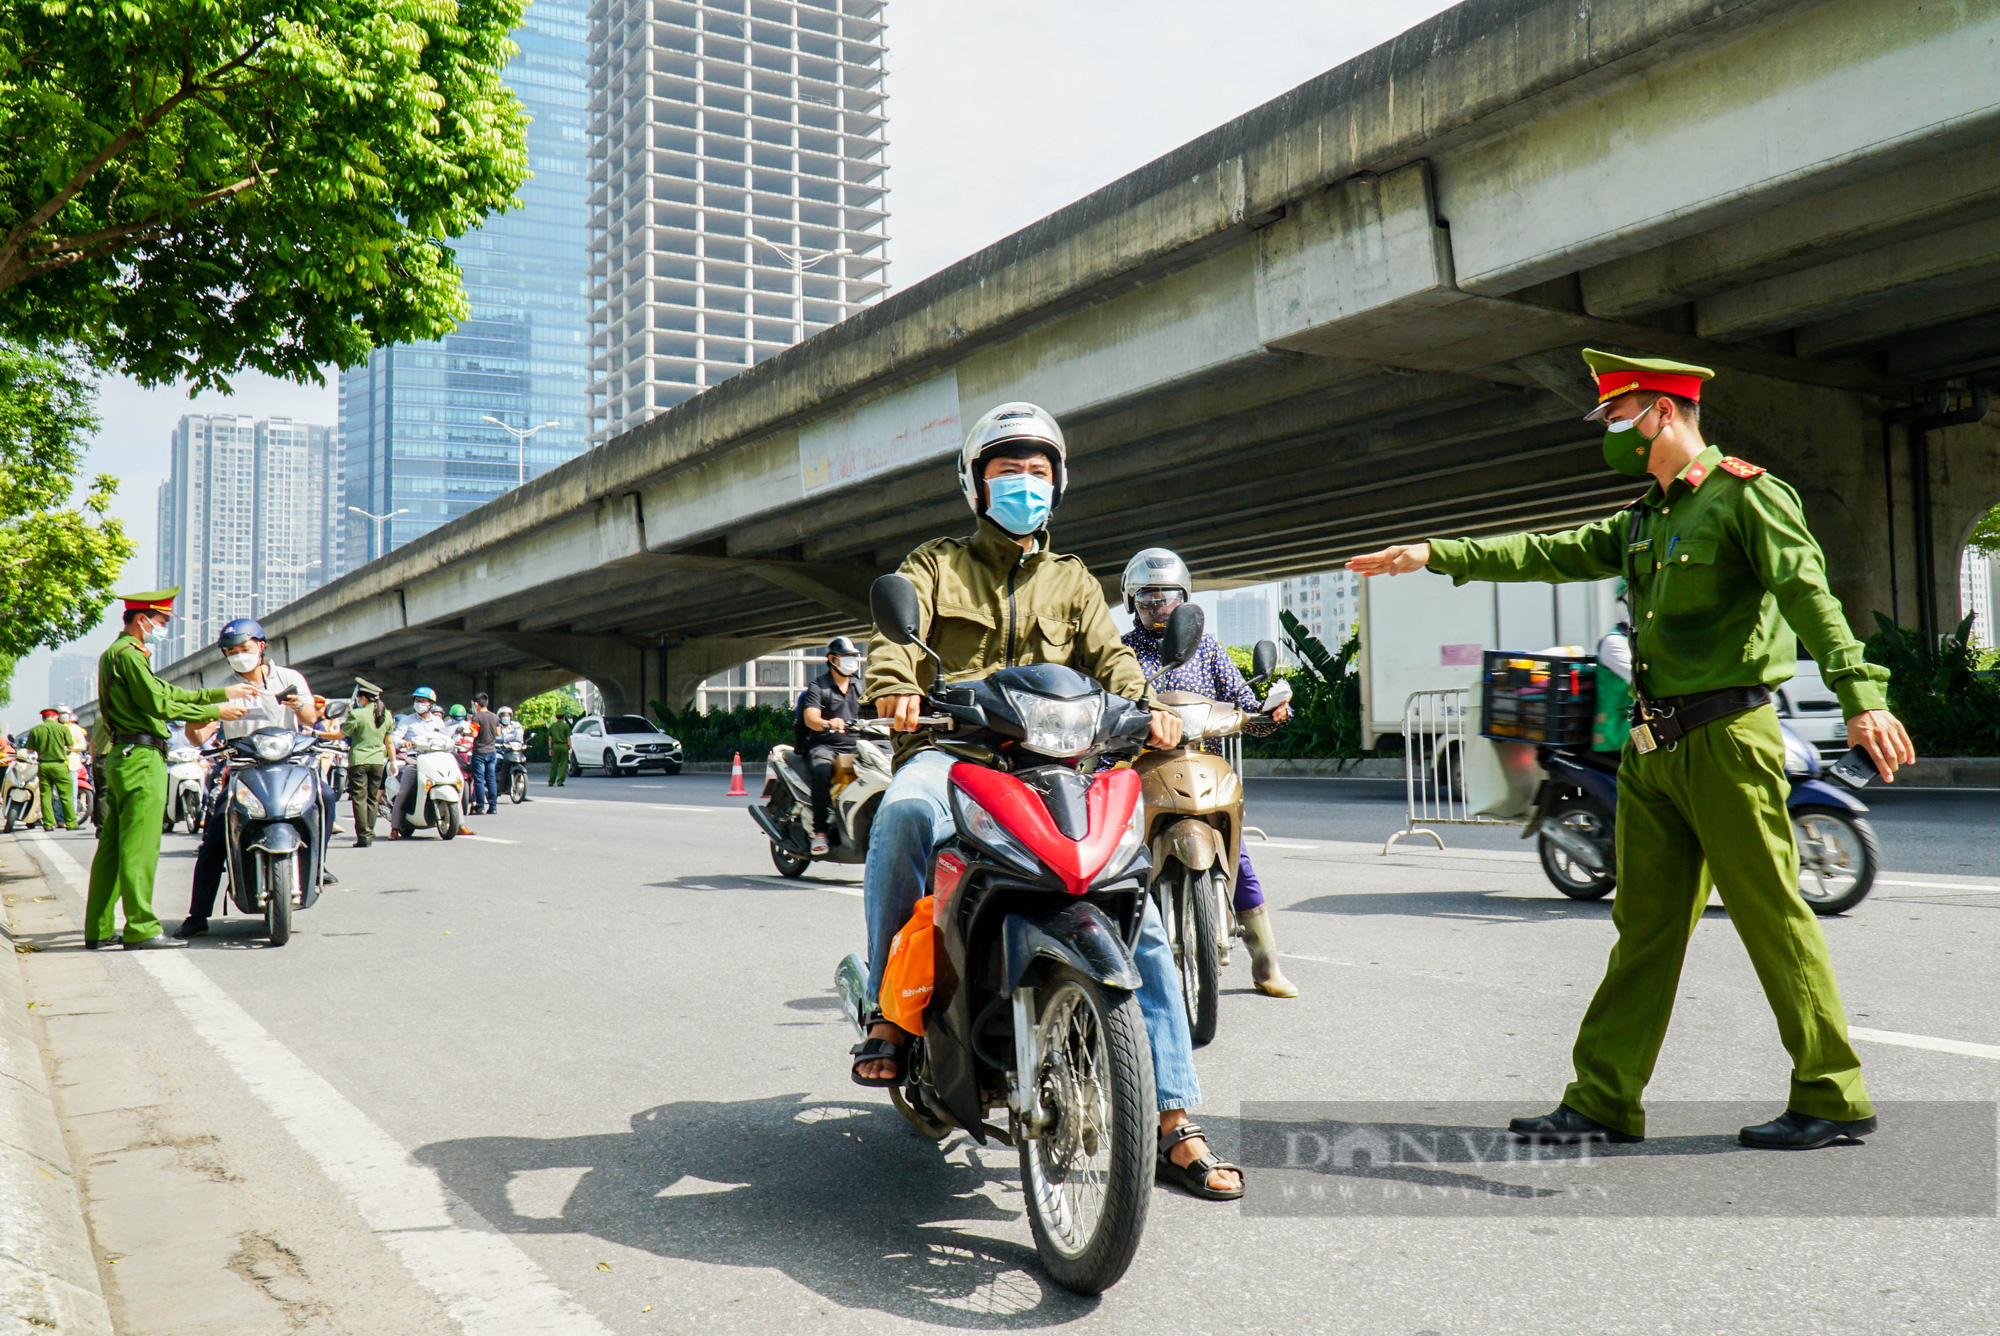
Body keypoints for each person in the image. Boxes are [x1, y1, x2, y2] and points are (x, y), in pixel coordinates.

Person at [1347, 347, 1916, 1152]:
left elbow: (1810, 597)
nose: (1610, 431)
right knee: (1643, 927)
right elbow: (1546, 552)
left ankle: (1833, 1094)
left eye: (1617, 415)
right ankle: (1605, 1100)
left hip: (1726, 738)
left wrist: (1864, 699)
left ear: (1663, 412)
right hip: (1652, 749)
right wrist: (1437, 554)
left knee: (1773, 920)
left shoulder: (1746, 498)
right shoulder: (1646, 518)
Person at [857, 400, 1242, 1200]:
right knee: (901, 814)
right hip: (954, 753)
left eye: (1037, 472)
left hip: (1058, 765)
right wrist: (896, 690)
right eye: (1007, 472)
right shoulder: (935, 565)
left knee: (1130, 905)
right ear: (975, 486)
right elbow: (895, 642)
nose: (1023, 485)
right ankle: (891, 1009)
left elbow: (1115, 665)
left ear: (1057, 485)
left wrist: (1155, 705)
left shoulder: (1073, 581)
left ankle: (1173, 1118)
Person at [1118, 548, 1299, 998]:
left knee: (1241, 858)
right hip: (1142, 767)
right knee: (1113, 856)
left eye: (1168, 599)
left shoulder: (1209, 646)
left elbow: (1243, 701)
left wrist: (1270, 711)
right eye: (1149, 600)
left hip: (1203, 765)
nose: (1160, 609)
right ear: (1132, 603)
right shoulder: (1120, 652)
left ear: (1186, 600)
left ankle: (1265, 961)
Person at [87, 590, 255, 949]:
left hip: (124, 755)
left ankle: (99, 929)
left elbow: (164, 691)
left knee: (113, 848)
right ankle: (142, 929)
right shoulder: (130, 655)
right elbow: (159, 702)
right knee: (140, 849)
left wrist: (218, 696)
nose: (162, 629)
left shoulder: (118, 655)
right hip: (142, 758)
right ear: (141, 619)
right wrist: (214, 713)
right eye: (161, 622)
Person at [175, 619, 324, 938]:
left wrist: (299, 707)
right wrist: (199, 718)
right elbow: (197, 737)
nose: (239, 655)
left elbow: (311, 718)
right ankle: (198, 915)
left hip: (290, 767)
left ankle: (319, 864)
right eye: (231, 651)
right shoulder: (224, 689)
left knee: (325, 796)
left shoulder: (289, 678)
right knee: (214, 839)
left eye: (244, 648)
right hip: (242, 771)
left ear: (261, 645)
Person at [794, 636, 864, 855]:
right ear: (832, 659)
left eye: (853, 657)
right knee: (822, 771)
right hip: (825, 746)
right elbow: (810, 718)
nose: (851, 661)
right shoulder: (818, 686)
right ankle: (820, 832)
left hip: (856, 747)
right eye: (846, 657)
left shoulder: (860, 685)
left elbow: (877, 712)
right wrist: (827, 723)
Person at [388, 688, 463, 837]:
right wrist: (403, 743)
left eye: (423, 701)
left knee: (457, 781)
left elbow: (444, 736)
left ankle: (460, 824)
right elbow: (395, 737)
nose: (419, 704)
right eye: (417, 701)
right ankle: (395, 828)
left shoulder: (438, 721)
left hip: (436, 759)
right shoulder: (407, 720)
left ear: (430, 704)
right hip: (415, 760)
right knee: (404, 791)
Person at [342, 679, 393, 846]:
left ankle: (363, 836)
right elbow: (389, 742)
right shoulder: (386, 715)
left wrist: (318, 734)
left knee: (359, 799)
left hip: (359, 761)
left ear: (363, 698)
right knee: (372, 798)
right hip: (378, 761)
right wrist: (393, 762)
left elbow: (341, 734)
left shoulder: (358, 714)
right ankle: (369, 832)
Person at [25, 708, 79, 831]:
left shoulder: (35, 730)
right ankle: (71, 823)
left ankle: (49, 824)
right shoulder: (63, 728)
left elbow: (30, 750)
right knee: (66, 795)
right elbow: (70, 746)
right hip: (59, 765)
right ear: (55, 718)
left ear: (43, 718)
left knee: (45, 795)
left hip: (43, 765)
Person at [466, 693, 502, 816]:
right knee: (491, 779)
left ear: (476, 704)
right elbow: (498, 733)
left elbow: (474, 734)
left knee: (479, 780)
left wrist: (465, 734)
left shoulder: (476, 717)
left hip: (480, 752)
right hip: (492, 752)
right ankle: (493, 806)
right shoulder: (494, 716)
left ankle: (480, 807)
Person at [60, 709, 85, 821]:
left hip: (72, 764)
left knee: (73, 794)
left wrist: (71, 748)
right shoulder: (55, 728)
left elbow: (83, 744)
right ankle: (59, 818)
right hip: (58, 763)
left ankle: (72, 818)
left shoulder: (75, 729)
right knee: (57, 794)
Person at [546, 711, 574, 786]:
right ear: (564, 717)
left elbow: (550, 738)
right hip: (564, 746)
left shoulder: (552, 726)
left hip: (555, 746)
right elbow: (568, 738)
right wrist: (570, 747)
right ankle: (560, 781)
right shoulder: (566, 726)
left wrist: (550, 748)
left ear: (556, 717)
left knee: (554, 764)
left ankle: (551, 781)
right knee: (563, 764)